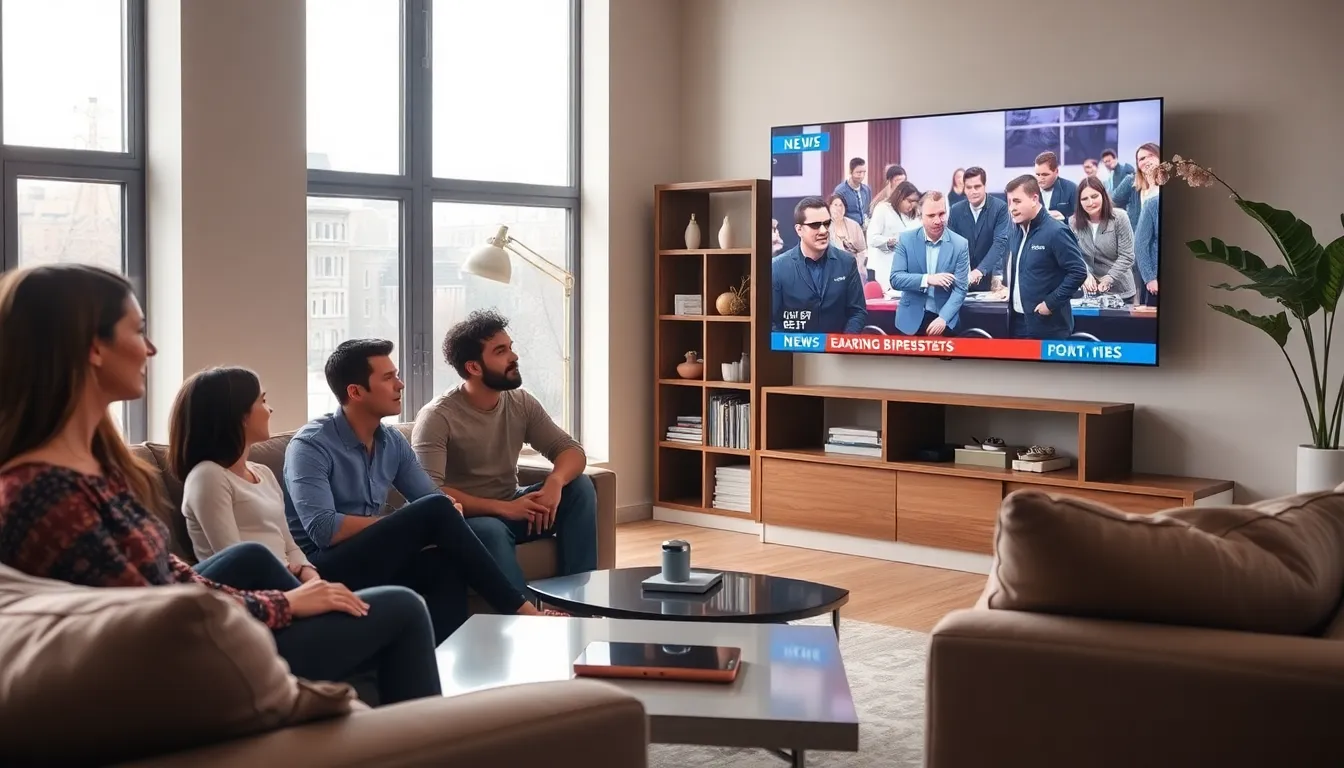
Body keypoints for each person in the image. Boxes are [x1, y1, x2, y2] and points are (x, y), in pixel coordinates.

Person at [0, 264, 440, 706]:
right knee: (401, 608)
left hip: (192, 633)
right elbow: (146, 618)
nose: (150, 348)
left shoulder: (96, 470)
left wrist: (298, 592)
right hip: (178, 668)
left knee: (361, 602)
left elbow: (172, 577)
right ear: (94, 347)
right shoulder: (46, 494)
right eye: (138, 331)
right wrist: (285, 606)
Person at [283, 339, 555, 644]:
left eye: (396, 374)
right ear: (355, 392)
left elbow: (431, 499)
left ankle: (445, 666)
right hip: (323, 568)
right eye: (388, 378)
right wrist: (413, 520)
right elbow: (323, 530)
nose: (400, 384)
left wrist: (444, 509)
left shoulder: (392, 442)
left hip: (374, 558)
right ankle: (524, 613)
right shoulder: (310, 446)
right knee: (434, 511)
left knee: (445, 564)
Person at [412, 311, 598, 594]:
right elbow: (431, 493)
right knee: (492, 529)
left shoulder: (520, 402)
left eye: (510, 347)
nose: (514, 356)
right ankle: (522, 618)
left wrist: (555, 483)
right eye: (501, 351)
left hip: (515, 507)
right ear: (474, 367)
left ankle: (578, 600)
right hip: (467, 519)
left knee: (580, 487)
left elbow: (570, 450)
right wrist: (505, 508)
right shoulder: (438, 416)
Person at [1002, 175, 1089, 340]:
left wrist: (1050, 304)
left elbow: (1078, 272)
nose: (1011, 208)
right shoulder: (1015, 232)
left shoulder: (1056, 231)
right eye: (1009, 202)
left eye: (1017, 201)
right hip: (1017, 324)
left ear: (1034, 199)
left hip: (1049, 327)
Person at [770, 195, 868, 335]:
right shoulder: (778, 268)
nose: (823, 231)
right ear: (799, 230)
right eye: (815, 225)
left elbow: (858, 312)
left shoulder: (847, 262)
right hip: (796, 353)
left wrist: (842, 344)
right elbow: (772, 321)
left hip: (838, 353)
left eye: (827, 223)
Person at [889, 191, 971, 336]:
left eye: (941, 214)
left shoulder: (960, 244)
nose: (938, 220)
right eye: (931, 216)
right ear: (920, 216)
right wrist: (928, 279)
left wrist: (943, 318)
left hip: (944, 320)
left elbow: (960, 289)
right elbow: (896, 279)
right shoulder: (906, 240)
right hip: (910, 320)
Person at [1070, 176, 1137, 301]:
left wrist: (1109, 278)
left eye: (1094, 196)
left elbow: (1127, 256)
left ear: (1103, 195)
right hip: (1089, 294)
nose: (1090, 203)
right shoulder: (1073, 222)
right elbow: (1074, 255)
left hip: (1121, 293)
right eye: (1084, 199)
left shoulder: (1120, 217)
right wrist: (1085, 274)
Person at [947, 167, 1011, 293]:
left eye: (977, 186)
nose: (973, 191)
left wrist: (980, 270)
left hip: (992, 278)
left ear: (985, 186)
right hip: (963, 278)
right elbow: (952, 244)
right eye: (969, 187)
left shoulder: (1000, 208)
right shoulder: (955, 210)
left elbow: (999, 243)